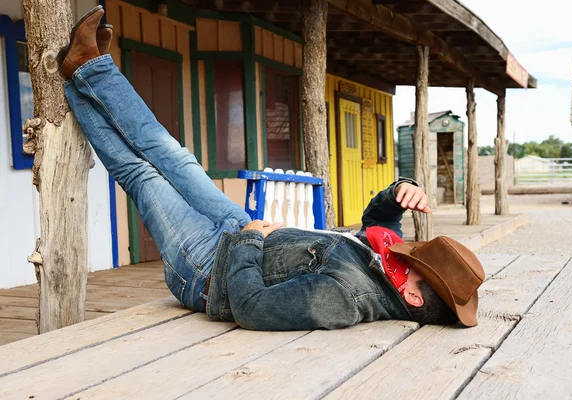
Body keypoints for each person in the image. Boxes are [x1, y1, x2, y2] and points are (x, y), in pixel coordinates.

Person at [59, 6, 484, 331]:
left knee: (143, 174)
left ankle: (84, 73)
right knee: (173, 154)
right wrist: (399, 192)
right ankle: (89, 71)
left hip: (208, 270)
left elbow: (252, 308)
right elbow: (377, 225)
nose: (407, 254)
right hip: (240, 227)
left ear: (411, 296)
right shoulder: (391, 267)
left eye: (417, 265)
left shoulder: (343, 299)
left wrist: (246, 242)